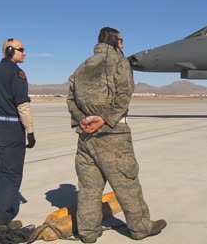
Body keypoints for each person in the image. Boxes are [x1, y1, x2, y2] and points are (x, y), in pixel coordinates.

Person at [66, 27, 166, 243]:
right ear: (113, 40)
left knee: (89, 186)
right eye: (121, 41)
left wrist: (82, 119)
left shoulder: (82, 67)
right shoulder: (119, 62)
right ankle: (140, 228)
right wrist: (105, 119)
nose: (123, 45)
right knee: (126, 182)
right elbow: (124, 94)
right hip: (113, 135)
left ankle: (88, 232)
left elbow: (70, 100)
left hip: (85, 135)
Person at [0, 38, 36, 232]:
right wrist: (30, 131)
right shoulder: (17, 73)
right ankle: (1, 222)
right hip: (9, 131)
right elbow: (22, 105)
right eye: (21, 50)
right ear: (10, 51)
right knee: (10, 176)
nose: (25, 53)